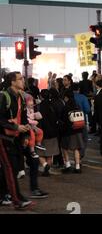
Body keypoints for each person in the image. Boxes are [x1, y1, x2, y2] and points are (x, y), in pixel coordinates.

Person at [0, 72, 48, 208]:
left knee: (11, 168)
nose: (23, 81)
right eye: (20, 79)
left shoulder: (20, 96)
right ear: (12, 82)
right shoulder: (4, 96)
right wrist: (15, 126)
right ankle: (17, 200)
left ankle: (3, 195)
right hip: (4, 138)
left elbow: (24, 118)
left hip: (15, 139)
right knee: (10, 168)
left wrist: (26, 133)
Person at [36, 89, 60, 177]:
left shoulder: (39, 106)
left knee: (39, 152)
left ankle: (45, 165)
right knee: (50, 153)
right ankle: (47, 171)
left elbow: (37, 120)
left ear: (41, 96)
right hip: (53, 132)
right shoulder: (53, 105)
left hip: (42, 133)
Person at [60, 90, 84, 174]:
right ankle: (77, 167)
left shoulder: (66, 107)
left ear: (66, 97)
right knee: (76, 148)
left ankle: (68, 165)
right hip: (77, 129)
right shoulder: (77, 105)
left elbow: (63, 119)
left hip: (67, 131)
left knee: (64, 148)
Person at [24, 94, 46, 159]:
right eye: (29, 101)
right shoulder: (25, 109)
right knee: (32, 135)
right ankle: (32, 150)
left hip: (33, 125)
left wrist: (36, 115)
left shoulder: (32, 109)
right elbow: (27, 119)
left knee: (40, 132)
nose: (31, 103)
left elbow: (35, 116)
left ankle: (38, 144)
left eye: (32, 101)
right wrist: (34, 122)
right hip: (28, 126)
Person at [73, 83, 91, 159]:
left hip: (71, 121)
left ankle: (75, 154)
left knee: (73, 138)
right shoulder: (83, 97)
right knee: (84, 138)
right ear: (79, 89)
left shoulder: (69, 97)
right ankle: (81, 153)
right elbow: (87, 110)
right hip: (81, 120)